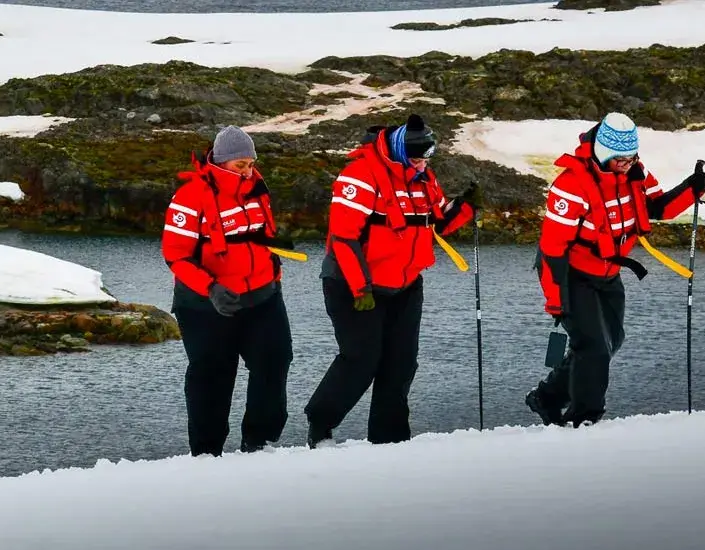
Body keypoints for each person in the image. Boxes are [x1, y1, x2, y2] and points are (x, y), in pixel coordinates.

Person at [527, 112, 705, 428]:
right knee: (593, 347)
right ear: (603, 152)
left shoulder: (635, 173)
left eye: (631, 156)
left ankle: (547, 397)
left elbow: (658, 207)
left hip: (609, 274)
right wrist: (555, 300)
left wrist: (692, 189)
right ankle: (584, 421)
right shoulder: (571, 185)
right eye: (620, 158)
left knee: (612, 341)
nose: (626, 163)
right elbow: (553, 248)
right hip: (572, 276)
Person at [305, 113, 475, 448]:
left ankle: (391, 440)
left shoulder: (424, 178)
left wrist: (466, 207)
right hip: (354, 284)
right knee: (362, 358)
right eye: (416, 158)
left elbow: (436, 222)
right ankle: (320, 423)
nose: (423, 164)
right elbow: (343, 239)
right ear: (399, 150)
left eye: (427, 158)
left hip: (405, 285)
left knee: (401, 362)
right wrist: (360, 288)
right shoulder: (360, 175)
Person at [160, 125, 294, 456]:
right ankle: (207, 456)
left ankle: (259, 444)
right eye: (241, 165)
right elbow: (175, 256)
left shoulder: (257, 188)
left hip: (262, 297)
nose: (248, 171)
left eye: (251, 163)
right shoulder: (189, 198)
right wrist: (211, 289)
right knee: (213, 378)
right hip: (206, 306)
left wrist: (274, 272)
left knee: (275, 361)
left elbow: (260, 237)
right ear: (221, 162)